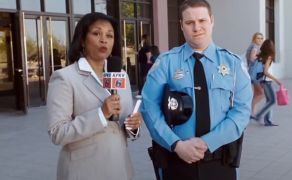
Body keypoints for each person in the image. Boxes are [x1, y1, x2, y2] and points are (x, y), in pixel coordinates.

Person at [141, 1, 252, 180]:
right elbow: (149, 108)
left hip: (220, 162)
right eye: (189, 22)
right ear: (181, 25)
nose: (197, 27)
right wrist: (176, 144)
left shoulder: (233, 64)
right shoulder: (166, 63)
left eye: (202, 20)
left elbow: (242, 112)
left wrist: (207, 142)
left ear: (212, 21)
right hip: (177, 160)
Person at [46, 12, 143, 180]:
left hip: (119, 168)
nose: (104, 39)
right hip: (84, 170)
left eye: (109, 35)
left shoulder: (121, 75)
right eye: (96, 33)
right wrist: (101, 113)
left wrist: (133, 127)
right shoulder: (65, 77)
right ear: (83, 40)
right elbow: (57, 133)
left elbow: (121, 122)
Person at [251, 39, 281, 126]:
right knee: (272, 101)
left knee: (269, 100)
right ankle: (258, 115)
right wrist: (276, 80)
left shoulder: (260, 56)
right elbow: (266, 72)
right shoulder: (269, 57)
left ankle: (267, 121)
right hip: (267, 82)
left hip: (262, 81)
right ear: (271, 48)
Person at [246, 32, 264, 117]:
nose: (260, 40)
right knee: (261, 93)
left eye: (261, 38)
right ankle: (250, 111)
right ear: (254, 39)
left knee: (257, 94)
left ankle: (252, 113)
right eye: (258, 38)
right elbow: (252, 59)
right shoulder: (254, 47)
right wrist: (260, 56)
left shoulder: (253, 46)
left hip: (252, 73)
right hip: (254, 74)